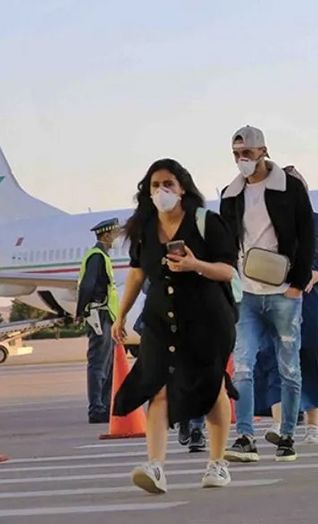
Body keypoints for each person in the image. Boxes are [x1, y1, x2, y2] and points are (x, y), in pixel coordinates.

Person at [112, 159, 239, 493]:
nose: (161, 191)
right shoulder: (143, 228)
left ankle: (217, 463)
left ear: (183, 187)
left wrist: (196, 264)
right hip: (161, 320)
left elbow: (227, 270)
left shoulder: (206, 222)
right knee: (158, 387)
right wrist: (121, 315)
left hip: (207, 318)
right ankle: (156, 466)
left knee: (212, 389)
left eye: (168, 184)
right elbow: (138, 274)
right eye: (155, 185)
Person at [221, 126, 315, 465]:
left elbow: (308, 235)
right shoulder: (230, 194)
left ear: (264, 151)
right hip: (246, 292)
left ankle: (287, 434)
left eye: (247, 153)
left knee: (288, 367)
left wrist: (298, 281)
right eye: (236, 155)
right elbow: (226, 243)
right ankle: (245, 436)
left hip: (283, 291)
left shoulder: (289, 188)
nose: (242, 160)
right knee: (242, 366)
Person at [253, 165, 318, 445]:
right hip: (276, 294)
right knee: (273, 354)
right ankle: (280, 424)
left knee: (310, 354)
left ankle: (312, 425)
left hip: (313, 296)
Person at [75, 217, 121, 425]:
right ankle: (96, 408)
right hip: (98, 314)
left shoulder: (103, 256)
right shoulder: (96, 256)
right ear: (106, 235)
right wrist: (79, 311)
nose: (117, 238)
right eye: (115, 234)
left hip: (106, 315)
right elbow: (87, 286)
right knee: (98, 363)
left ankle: (105, 404)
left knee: (108, 363)